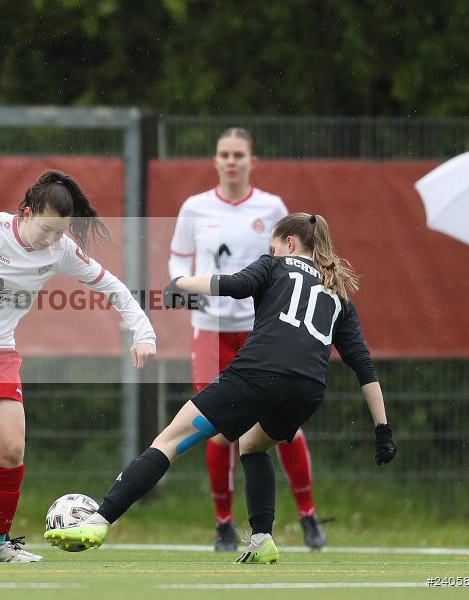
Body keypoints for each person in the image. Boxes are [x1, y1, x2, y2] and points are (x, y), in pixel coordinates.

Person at [46, 213, 397, 564]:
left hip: (257, 374)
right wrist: (382, 428)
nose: (271, 252)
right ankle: (262, 540)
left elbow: (235, 285)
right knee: (253, 445)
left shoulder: (274, 265)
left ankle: (99, 521)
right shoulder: (338, 292)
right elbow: (362, 364)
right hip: (306, 390)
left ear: (290, 243)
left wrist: (181, 282)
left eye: (273, 246)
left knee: (168, 441)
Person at [0, 169, 157, 562]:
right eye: (46, 229)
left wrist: (143, 332)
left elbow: (110, 285)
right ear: (26, 212)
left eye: (60, 232)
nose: (52, 240)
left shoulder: (61, 249)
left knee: (10, 450)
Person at [168, 127, 327, 551]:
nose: (231, 161)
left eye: (239, 154)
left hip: (263, 331)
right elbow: (178, 261)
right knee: (215, 426)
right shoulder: (194, 207)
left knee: (283, 425)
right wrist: (184, 287)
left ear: (252, 161)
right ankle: (223, 523)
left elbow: (296, 258)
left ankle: (308, 515)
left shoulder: (271, 207)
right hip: (210, 332)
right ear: (215, 160)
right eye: (225, 154)